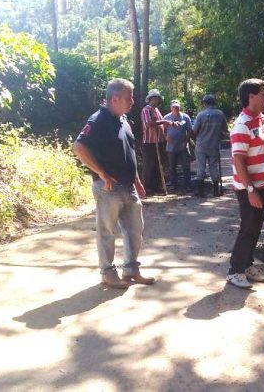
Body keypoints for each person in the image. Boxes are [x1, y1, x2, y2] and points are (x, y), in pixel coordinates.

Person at [73, 78, 156, 288]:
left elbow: (129, 152)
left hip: (129, 186)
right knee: (106, 232)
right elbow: (79, 148)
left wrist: (137, 180)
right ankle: (108, 273)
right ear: (115, 98)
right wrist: (102, 173)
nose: (133, 102)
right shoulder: (98, 120)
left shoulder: (124, 120)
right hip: (108, 188)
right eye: (129, 98)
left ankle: (131, 270)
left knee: (135, 230)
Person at [226, 78, 264, 289]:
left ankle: (247, 265)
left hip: (262, 185)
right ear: (251, 97)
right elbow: (239, 160)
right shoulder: (242, 125)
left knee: (255, 228)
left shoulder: (261, 120)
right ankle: (235, 271)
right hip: (249, 188)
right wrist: (250, 190)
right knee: (248, 229)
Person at [192, 93, 229, 197]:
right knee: (213, 167)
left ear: (205, 103)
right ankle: (216, 191)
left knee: (201, 167)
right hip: (214, 145)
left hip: (201, 145)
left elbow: (194, 130)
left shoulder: (201, 115)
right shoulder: (220, 114)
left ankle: (201, 192)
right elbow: (225, 130)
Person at [140, 89, 169, 194]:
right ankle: (148, 187)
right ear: (151, 99)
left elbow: (161, 124)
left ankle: (156, 186)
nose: (158, 101)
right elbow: (149, 123)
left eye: (159, 99)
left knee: (158, 164)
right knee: (150, 164)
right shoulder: (146, 110)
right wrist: (163, 121)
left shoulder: (156, 110)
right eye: (156, 98)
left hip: (159, 141)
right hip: (150, 142)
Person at [163, 99, 193, 191]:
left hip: (183, 145)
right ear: (171, 108)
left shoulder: (185, 117)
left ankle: (187, 185)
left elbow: (189, 130)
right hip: (171, 146)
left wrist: (186, 142)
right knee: (172, 166)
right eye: (174, 107)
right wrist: (166, 137)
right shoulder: (166, 117)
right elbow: (163, 130)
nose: (176, 109)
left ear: (180, 107)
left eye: (177, 107)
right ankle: (173, 184)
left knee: (186, 166)